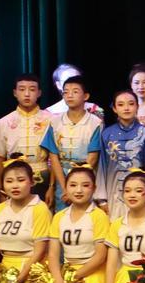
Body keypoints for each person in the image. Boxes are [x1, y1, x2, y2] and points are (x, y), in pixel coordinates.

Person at [0, 157, 53, 283]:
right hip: (6, 268)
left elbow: (40, 251)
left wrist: (18, 280)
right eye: (9, 181)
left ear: (32, 182)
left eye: (21, 180)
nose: (15, 185)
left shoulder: (39, 208)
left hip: (34, 269)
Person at [0, 74, 55, 204]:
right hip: (14, 177)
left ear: (39, 93)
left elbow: (54, 157)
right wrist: (1, 190)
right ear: (15, 93)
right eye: (22, 89)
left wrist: (52, 187)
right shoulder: (4, 122)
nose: (27, 94)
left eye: (32, 89)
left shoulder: (51, 120)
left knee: (42, 213)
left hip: (42, 177)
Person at [40, 74, 102, 211]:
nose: (69, 95)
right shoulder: (55, 122)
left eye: (75, 91)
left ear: (86, 96)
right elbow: (54, 157)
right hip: (61, 180)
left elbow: (92, 158)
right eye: (66, 92)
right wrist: (65, 188)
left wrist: (76, 185)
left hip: (86, 179)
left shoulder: (95, 123)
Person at [49, 166, 109, 283]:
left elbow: (100, 256)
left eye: (85, 185)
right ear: (65, 188)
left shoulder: (99, 216)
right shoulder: (59, 217)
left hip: (92, 272)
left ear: (94, 188)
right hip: (66, 273)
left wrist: (72, 278)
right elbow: (53, 254)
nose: (79, 190)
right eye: (73, 185)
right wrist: (58, 279)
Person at [100, 90, 145, 221]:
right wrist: (102, 199)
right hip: (113, 191)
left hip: (140, 192)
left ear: (137, 106)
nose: (126, 108)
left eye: (131, 104)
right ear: (114, 108)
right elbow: (102, 168)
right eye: (120, 104)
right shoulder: (106, 134)